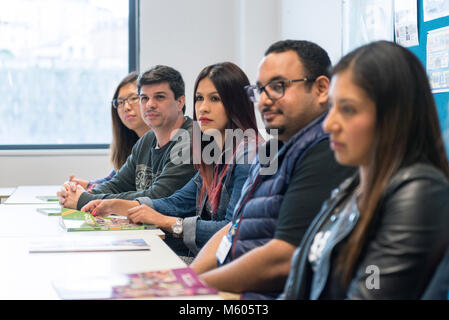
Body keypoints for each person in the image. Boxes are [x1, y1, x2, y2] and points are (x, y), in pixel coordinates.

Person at [281, 40, 449, 300]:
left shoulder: (420, 193)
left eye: (347, 109)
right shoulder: (353, 188)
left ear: (393, 115)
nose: (329, 125)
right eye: (332, 107)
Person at [190, 40, 355, 299]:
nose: (264, 100)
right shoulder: (273, 146)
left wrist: (197, 288)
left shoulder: (326, 150)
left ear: (322, 88)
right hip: (231, 285)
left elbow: (284, 256)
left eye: (278, 87)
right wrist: (189, 280)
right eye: (259, 89)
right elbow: (234, 226)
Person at [81, 62, 262, 258]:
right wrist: (115, 205)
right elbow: (177, 202)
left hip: (224, 263)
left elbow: (232, 230)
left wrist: (167, 222)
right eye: (199, 98)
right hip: (205, 256)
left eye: (215, 99)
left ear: (236, 103)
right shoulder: (215, 151)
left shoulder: (249, 154)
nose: (203, 108)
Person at [57, 65, 197, 211]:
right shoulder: (148, 139)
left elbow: (157, 197)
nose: (150, 104)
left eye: (160, 97)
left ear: (180, 102)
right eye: (144, 98)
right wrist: (79, 194)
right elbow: (117, 184)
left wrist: (85, 199)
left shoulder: (193, 139)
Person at [67, 71, 150, 191]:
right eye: (120, 102)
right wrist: (83, 185)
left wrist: (90, 191)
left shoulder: (161, 143)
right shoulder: (132, 145)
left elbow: (128, 191)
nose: (126, 107)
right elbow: (114, 181)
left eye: (133, 98)